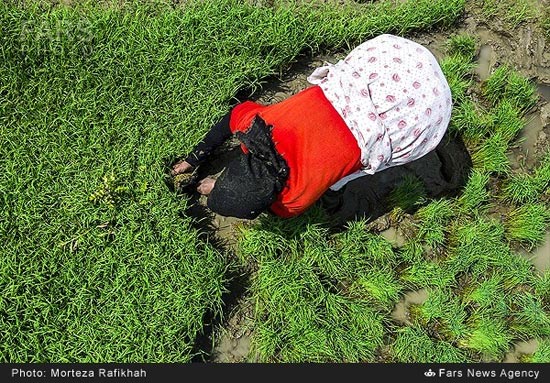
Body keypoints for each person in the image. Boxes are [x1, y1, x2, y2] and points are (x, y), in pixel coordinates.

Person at [170, 34, 457, 220]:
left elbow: (280, 204)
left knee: (338, 179)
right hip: (381, 71)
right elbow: (230, 117)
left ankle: (338, 205)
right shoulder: (255, 127)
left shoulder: (291, 201)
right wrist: (194, 159)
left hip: (413, 115)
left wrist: (216, 189)